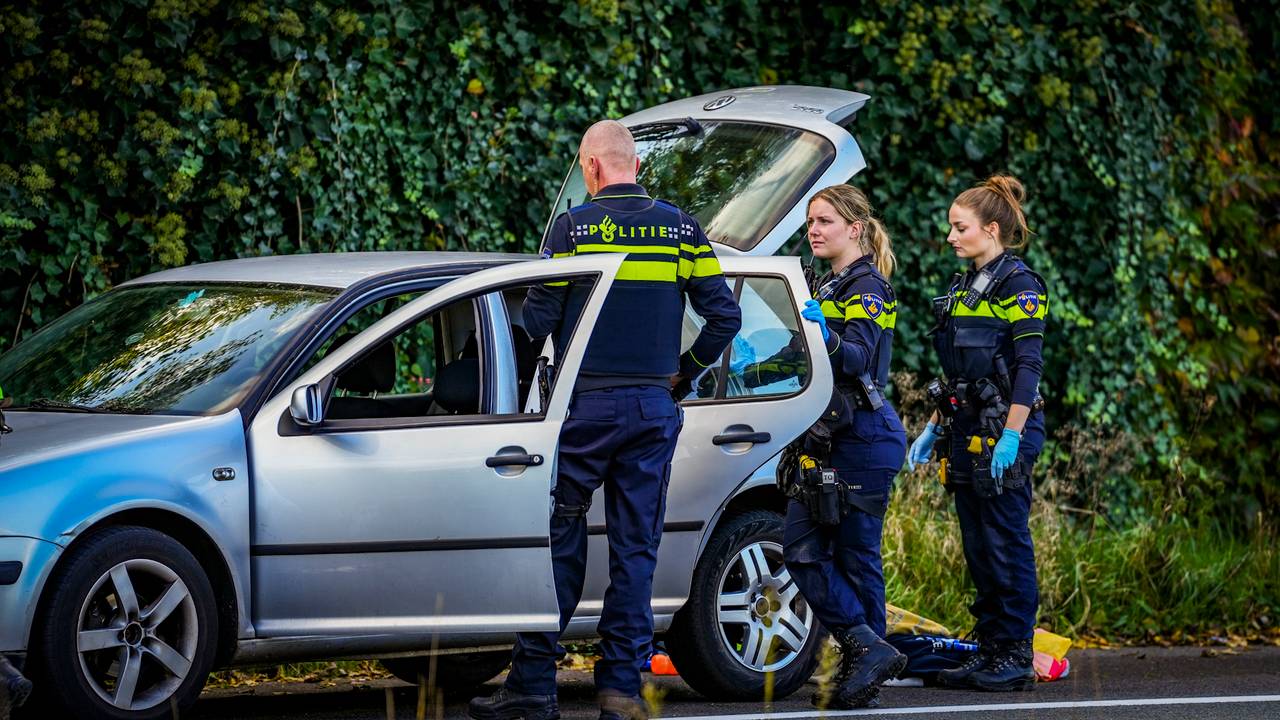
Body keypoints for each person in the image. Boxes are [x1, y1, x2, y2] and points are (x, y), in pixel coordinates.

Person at [468, 120, 741, 720]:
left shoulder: (572, 229)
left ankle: (534, 686)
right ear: (634, 165)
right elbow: (724, 318)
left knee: (558, 537)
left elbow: (537, 321)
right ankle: (621, 688)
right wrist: (683, 373)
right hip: (650, 408)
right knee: (635, 548)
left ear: (591, 168)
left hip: (582, 408)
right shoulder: (680, 229)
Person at [906, 174, 1048, 692]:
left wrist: (1012, 435)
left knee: (1005, 540)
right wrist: (931, 428)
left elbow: (1027, 369)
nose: (950, 237)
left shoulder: (1022, 286)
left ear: (991, 229)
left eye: (959, 227)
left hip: (1004, 431)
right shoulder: (964, 287)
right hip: (965, 429)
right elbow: (958, 376)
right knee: (978, 544)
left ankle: (1015, 652)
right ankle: (989, 649)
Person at [784, 184, 908, 709]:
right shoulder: (827, 285)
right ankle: (868, 649)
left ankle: (866, 670)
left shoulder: (869, 287)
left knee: (856, 558)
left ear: (854, 228)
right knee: (803, 549)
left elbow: (858, 358)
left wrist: (827, 335)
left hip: (865, 439)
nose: (814, 229)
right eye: (811, 221)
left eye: (825, 221)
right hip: (833, 438)